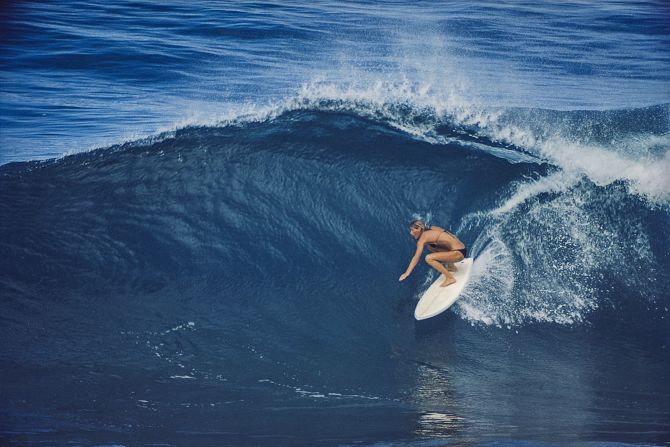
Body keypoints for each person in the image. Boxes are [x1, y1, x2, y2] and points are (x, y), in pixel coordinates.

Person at [398, 219, 467, 287]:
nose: (411, 233)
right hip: (462, 249)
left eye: (412, 230)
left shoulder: (423, 238)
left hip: (458, 254)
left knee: (428, 258)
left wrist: (407, 273)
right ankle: (451, 267)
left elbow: (416, 257)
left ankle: (450, 278)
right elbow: (452, 236)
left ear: (419, 228)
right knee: (431, 247)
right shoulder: (433, 228)